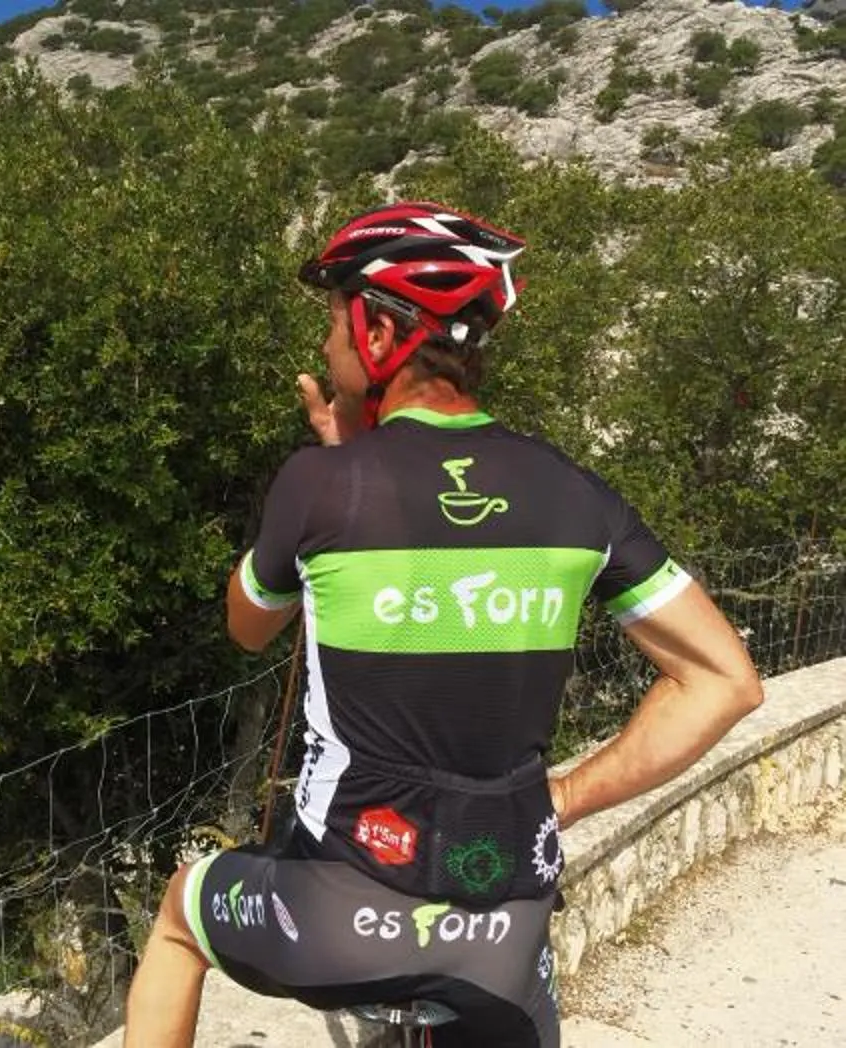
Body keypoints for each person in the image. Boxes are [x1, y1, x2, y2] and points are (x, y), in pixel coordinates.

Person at [120, 202, 766, 1046]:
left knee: (177, 919)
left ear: (381, 334)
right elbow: (728, 681)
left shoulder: (323, 483)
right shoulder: (574, 492)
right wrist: (564, 796)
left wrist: (337, 464)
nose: (326, 349)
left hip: (340, 919)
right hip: (503, 939)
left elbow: (246, 627)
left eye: (334, 324)